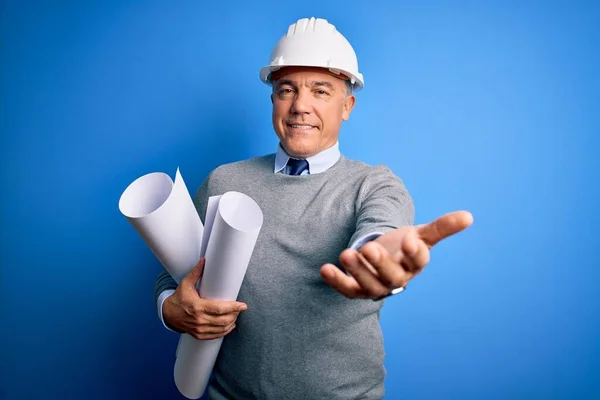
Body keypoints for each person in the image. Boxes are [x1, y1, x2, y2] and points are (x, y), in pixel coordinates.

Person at [154, 17, 473, 400]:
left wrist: (376, 259)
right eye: (287, 90)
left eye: (321, 91)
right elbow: (174, 276)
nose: (300, 106)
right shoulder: (224, 181)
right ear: (273, 99)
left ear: (347, 106)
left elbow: (380, 233)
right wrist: (169, 310)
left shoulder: (373, 185)